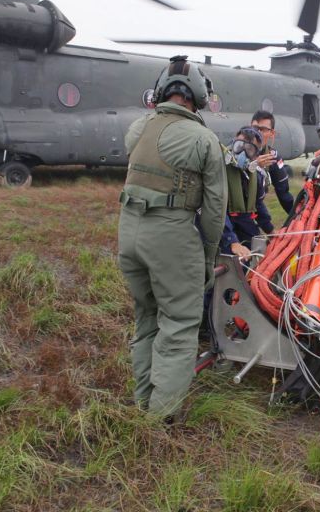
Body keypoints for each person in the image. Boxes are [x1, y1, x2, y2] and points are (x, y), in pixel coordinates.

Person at [118, 55, 227, 419]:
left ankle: (143, 401)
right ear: (198, 94)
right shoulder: (204, 140)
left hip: (129, 233)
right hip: (170, 236)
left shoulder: (138, 128)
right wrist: (209, 259)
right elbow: (214, 210)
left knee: (147, 317)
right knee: (179, 324)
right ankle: (161, 418)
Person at [221, 126, 274, 259]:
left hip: (243, 221)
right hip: (221, 224)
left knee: (258, 253)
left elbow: (257, 204)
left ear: (256, 155)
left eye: (249, 149)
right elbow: (215, 207)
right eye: (239, 146)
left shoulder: (256, 175)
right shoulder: (218, 168)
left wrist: (271, 231)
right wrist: (232, 241)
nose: (242, 152)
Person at [251, 110, 295, 215]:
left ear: (272, 133)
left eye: (263, 129)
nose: (258, 133)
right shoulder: (237, 149)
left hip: (253, 208)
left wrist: (297, 217)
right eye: (255, 128)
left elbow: (283, 193)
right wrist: (253, 165)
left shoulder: (272, 157)